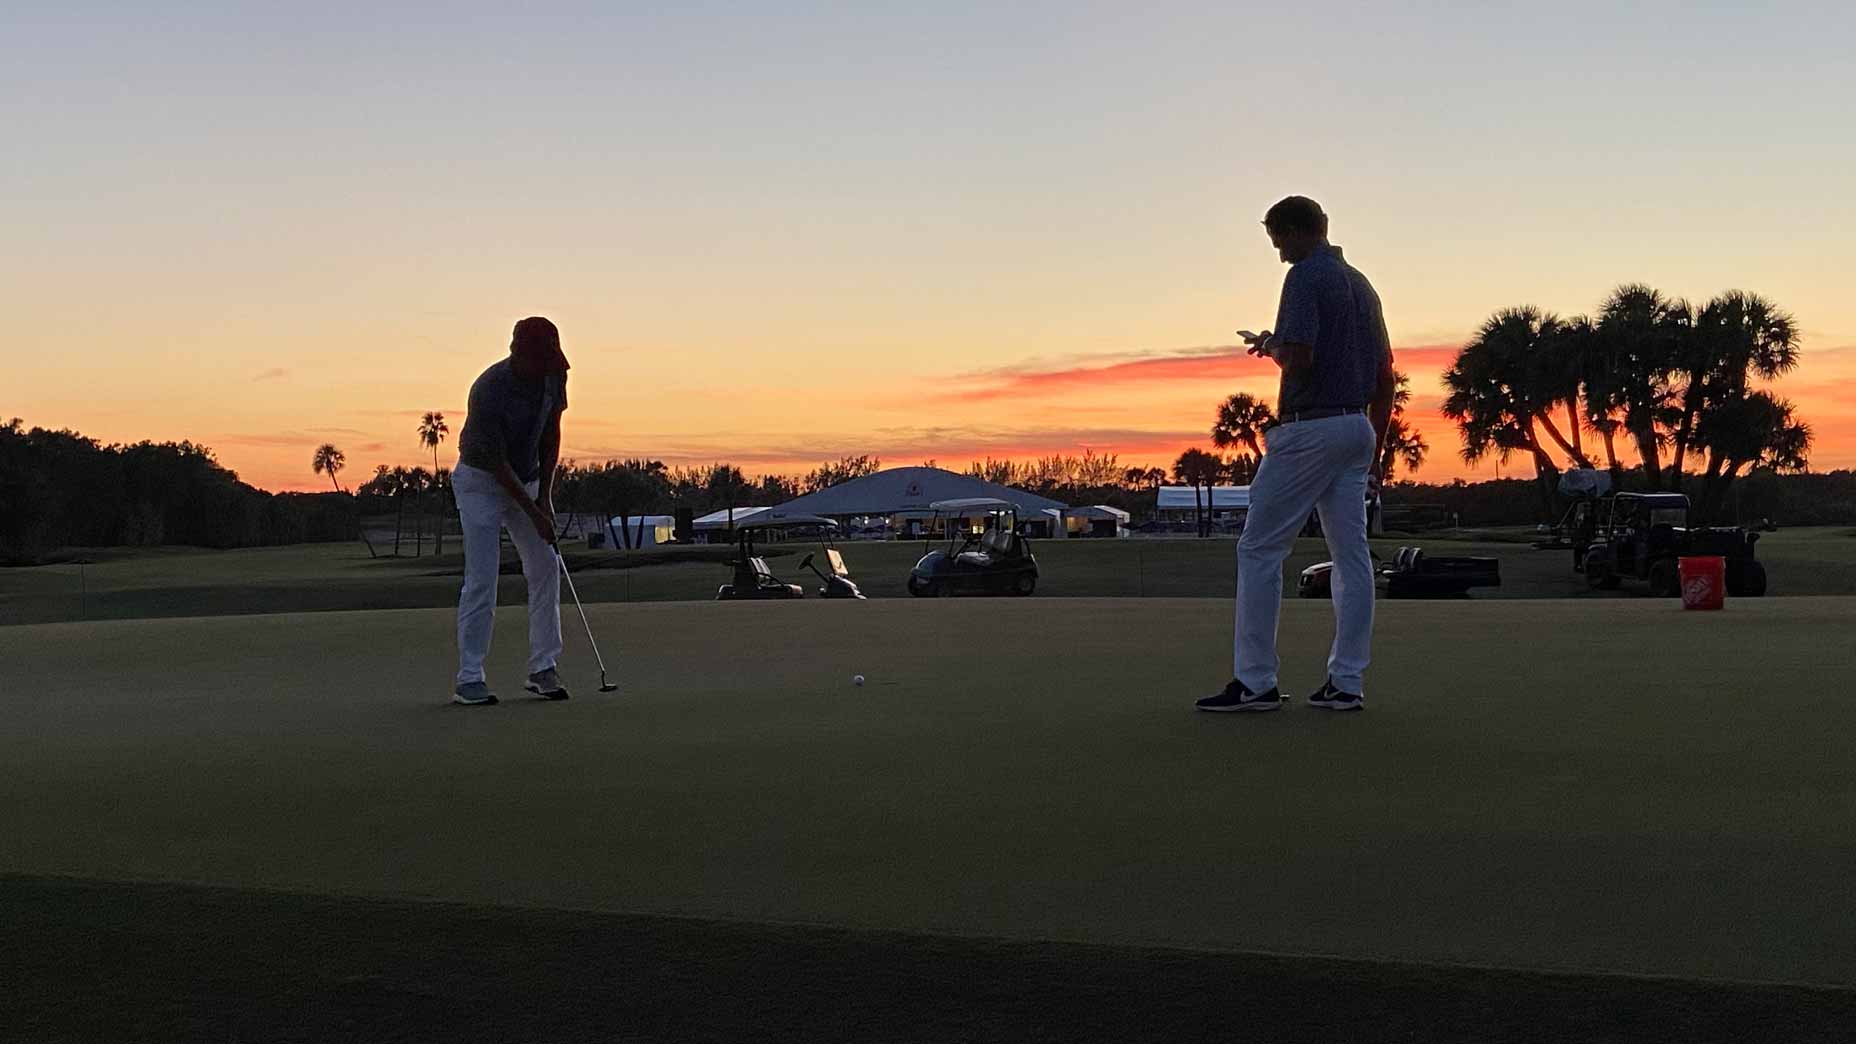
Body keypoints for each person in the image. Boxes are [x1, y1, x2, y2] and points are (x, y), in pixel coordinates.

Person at [1197, 197, 1396, 713]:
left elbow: (1301, 358)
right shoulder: (1361, 285)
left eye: (1278, 239)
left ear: (1292, 231)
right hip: (1356, 428)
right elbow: (1384, 377)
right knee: (1351, 557)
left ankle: (1255, 681)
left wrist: (1274, 346)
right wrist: (1374, 446)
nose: (1279, 252)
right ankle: (1346, 682)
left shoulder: (1305, 277)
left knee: (1259, 548)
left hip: (1311, 429)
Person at [449, 317, 572, 706]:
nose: (549, 367)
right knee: (483, 575)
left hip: (528, 476)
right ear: (519, 353)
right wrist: (532, 511)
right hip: (481, 480)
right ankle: (469, 677)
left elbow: (551, 432)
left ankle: (543, 667)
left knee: (545, 565)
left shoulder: (553, 376)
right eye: (542, 358)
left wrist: (546, 498)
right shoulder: (489, 390)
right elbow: (496, 464)